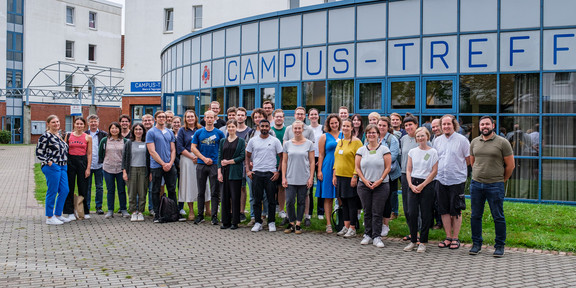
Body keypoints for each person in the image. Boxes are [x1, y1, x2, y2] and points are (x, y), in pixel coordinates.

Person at [469, 116, 515, 257]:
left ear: (493, 125)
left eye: (487, 124)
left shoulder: (503, 142)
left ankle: (499, 245)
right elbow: (473, 162)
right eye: (482, 124)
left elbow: (510, 165)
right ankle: (476, 244)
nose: (485, 126)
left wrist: (501, 179)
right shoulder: (475, 142)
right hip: (476, 184)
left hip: (495, 185)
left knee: (498, 216)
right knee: (475, 215)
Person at [433, 114, 470, 250]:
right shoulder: (437, 140)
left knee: (456, 210)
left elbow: (468, 159)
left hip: (456, 180)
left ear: (454, 125)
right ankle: (448, 237)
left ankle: (455, 238)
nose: (446, 126)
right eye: (444, 124)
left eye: (449, 124)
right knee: (443, 210)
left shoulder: (463, 140)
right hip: (441, 179)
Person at [355, 124, 391, 248]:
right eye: (369, 133)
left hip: (381, 185)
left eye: (373, 133)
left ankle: (377, 236)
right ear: (366, 134)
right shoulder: (361, 150)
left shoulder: (384, 149)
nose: (371, 135)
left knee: (377, 211)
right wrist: (364, 181)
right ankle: (367, 235)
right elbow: (357, 168)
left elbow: (388, 167)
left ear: (378, 134)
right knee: (367, 210)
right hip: (364, 185)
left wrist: (380, 180)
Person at [404, 127, 439, 253]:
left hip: (427, 185)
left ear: (427, 137)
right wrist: (410, 184)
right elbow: (408, 169)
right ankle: (413, 240)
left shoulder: (433, 152)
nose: (420, 138)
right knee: (412, 213)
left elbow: (434, 171)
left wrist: (423, 185)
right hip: (413, 183)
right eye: (418, 136)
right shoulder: (412, 152)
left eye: (422, 136)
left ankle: (423, 242)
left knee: (426, 214)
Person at [246, 119, 283, 232]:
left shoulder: (275, 141)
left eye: (267, 126)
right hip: (256, 173)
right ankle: (258, 222)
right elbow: (247, 156)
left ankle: (271, 222)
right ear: (259, 126)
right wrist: (248, 170)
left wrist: (278, 171)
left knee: (271, 199)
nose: (264, 128)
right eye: (262, 126)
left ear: (269, 128)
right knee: (257, 200)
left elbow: (282, 156)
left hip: (270, 174)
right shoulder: (253, 140)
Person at [191, 110, 226, 225]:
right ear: (204, 119)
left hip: (215, 165)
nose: (210, 119)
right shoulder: (199, 132)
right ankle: (200, 215)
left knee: (214, 192)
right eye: (208, 117)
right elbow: (193, 148)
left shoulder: (219, 133)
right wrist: (203, 158)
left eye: (212, 117)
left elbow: (223, 148)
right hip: (201, 164)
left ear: (214, 119)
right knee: (201, 191)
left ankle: (214, 216)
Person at [283, 107, 315, 226]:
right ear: (292, 129)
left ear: (303, 129)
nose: (297, 130)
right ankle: (291, 222)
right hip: (290, 177)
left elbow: (312, 162)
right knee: (290, 201)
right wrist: (283, 177)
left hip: (304, 177)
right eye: (295, 128)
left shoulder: (309, 143)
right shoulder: (287, 144)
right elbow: (284, 162)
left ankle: (298, 223)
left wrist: (311, 178)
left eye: (299, 128)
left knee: (302, 201)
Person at [36, 115, 71, 225]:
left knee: (65, 190)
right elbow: (39, 152)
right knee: (52, 190)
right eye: (53, 122)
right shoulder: (45, 136)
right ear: (48, 124)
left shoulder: (59, 135)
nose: (56, 124)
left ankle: (58, 214)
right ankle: (49, 217)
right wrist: (49, 162)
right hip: (52, 166)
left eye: (57, 121)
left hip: (63, 166)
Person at [146, 111, 178, 223]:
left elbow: (173, 149)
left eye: (163, 117)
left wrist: (170, 163)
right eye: (159, 117)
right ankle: (157, 214)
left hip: (170, 165)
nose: (161, 118)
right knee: (155, 190)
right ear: (155, 119)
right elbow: (152, 151)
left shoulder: (169, 132)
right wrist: (163, 163)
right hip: (156, 166)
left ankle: (174, 213)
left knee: (172, 189)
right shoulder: (151, 132)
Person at [333, 118, 363, 238]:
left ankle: (353, 227)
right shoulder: (340, 142)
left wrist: (355, 175)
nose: (345, 128)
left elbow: (359, 161)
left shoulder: (357, 142)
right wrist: (334, 174)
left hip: (350, 177)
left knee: (352, 203)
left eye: (347, 126)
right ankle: (345, 226)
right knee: (343, 202)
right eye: (343, 126)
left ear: (352, 128)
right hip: (340, 176)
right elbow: (336, 159)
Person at [177, 110, 209, 221]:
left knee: (204, 183)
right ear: (185, 119)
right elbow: (180, 147)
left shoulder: (201, 130)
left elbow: (205, 144)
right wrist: (192, 157)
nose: (190, 118)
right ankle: (191, 210)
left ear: (195, 118)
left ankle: (207, 208)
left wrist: (199, 157)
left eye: (192, 116)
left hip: (200, 158)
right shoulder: (182, 130)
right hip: (187, 159)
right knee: (189, 184)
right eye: (188, 117)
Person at [218, 119, 246, 230]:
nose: (231, 129)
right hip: (224, 172)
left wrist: (229, 161)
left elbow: (242, 156)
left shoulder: (241, 141)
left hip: (235, 172)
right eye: (229, 127)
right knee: (224, 197)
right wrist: (219, 172)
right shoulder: (222, 141)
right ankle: (225, 221)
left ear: (236, 128)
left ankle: (235, 221)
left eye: (233, 127)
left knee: (235, 197)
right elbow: (220, 156)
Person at [63, 117, 92, 220]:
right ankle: (69, 211)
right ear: (74, 124)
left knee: (83, 188)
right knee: (69, 187)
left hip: (82, 162)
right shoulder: (68, 135)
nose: (79, 126)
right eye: (77, 123)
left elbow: (89, 154)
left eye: (81, 124)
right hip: (70, 162)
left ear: (84, 125)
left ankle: (84, 210)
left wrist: (88, 168)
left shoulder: (88, 137)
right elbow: (64, 150)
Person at [99, 122, 129, 219]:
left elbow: (127, 155)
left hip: (121, 169)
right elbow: (101, 153)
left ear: (119, 129)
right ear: (109, 129)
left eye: (116, 128)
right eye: (112, 128)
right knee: (110, 190)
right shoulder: (104, 140)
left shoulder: (124, 141)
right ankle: (110, 210)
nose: (114, 130)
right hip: (108, 168)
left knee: (121, 190)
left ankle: (123, 209)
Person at [316, 114, 340, 233]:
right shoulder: (324, 137)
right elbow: (321, 154)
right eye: (332, 123)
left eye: (336, 123)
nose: (334, 125)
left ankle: (342, 223)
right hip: (328, 166)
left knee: (341, 196)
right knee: (328, 196)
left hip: (341, 167)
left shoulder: (344, 135)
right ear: (328, 124)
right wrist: (319, 170)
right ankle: (328, 223)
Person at [378, 117, 401, 237]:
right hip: (375, 174)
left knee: (387, 200)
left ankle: (385, 225)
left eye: (384, 126)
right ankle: (376, 223)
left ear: (388, 127)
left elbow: (393, 156)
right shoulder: (373, 137)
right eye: (380, 125)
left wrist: (377, 161)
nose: (381, 127)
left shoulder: (393, 139)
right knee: (377, 199)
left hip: (390, 174)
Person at [122, 123, 149, 222]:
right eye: (136, 129)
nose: (138, 131)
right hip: (131, 169)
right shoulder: (129, 143)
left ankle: (141, 212)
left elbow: (149, 159)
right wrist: (124, 172)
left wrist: (149, 173)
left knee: (142, 192)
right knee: (132, 192)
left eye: (140, 129)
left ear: (143, 131)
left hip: (143, 170)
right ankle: (133, 212)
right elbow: (124, 158)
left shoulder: (147, 142)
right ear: (133, 131)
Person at [399, 114, 420, 242]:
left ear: (416, 125)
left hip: (418, 175)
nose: (408, 127)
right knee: (407, 206)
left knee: (416, 206)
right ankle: (412, 231)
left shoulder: (422, 138)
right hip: (404, 174)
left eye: (410, 124)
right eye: (406, 125)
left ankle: (419, 232)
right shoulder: (403, 139)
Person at [86, 114, 107, 215]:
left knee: (99, 187)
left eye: (95, 121)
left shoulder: (104, 135)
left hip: (100, 165)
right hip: (88, 165)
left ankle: (99, 206)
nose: (93, 123)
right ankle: (87, 207)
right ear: (88, 123)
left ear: (98, 123)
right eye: (91, 121)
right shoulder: (85, 134)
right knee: (87, 187)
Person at [235, 107, 253, 221]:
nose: (240, 117)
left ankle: (242, 212)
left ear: (245, 117)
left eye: (242, 115)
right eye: (238, 115)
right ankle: (234, 211)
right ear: (235, 116)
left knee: (246, 189)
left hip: (247, 165)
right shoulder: (231, 130)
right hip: (234, 164)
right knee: (236, 188)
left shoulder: (250, 131)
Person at [271, 109, 288, 225]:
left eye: (281, 117)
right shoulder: (270, 130)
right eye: (277, 117)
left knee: (282, 188)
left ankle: (281, 209)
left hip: (284, 163)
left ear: (283, 118)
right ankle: (271, 209)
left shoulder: (287, 130)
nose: (279, 118)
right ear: (273, 118)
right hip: (271, 164)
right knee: (271, 189)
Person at [308, 108, 325, 220]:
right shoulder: (306, 129)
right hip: (309, 158)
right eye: (311, 114)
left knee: (321, 185)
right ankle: (308, 212)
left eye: (315, 114)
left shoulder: (323, 128)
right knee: (308, 185)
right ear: (308, 116)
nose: (314, 116)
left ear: (318, 116)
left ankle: (320, 211)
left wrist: (321, 159)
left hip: (320, 158)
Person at [141, 113, 155, 215]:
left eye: (149, 120)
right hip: (140, 166)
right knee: (140, 189)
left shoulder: (155, 133)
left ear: (153, 121)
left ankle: (152, 208)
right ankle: (138, 209)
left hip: (153, 166)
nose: (147, 122)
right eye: (145, 120)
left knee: (152, 189)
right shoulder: (139, 134)